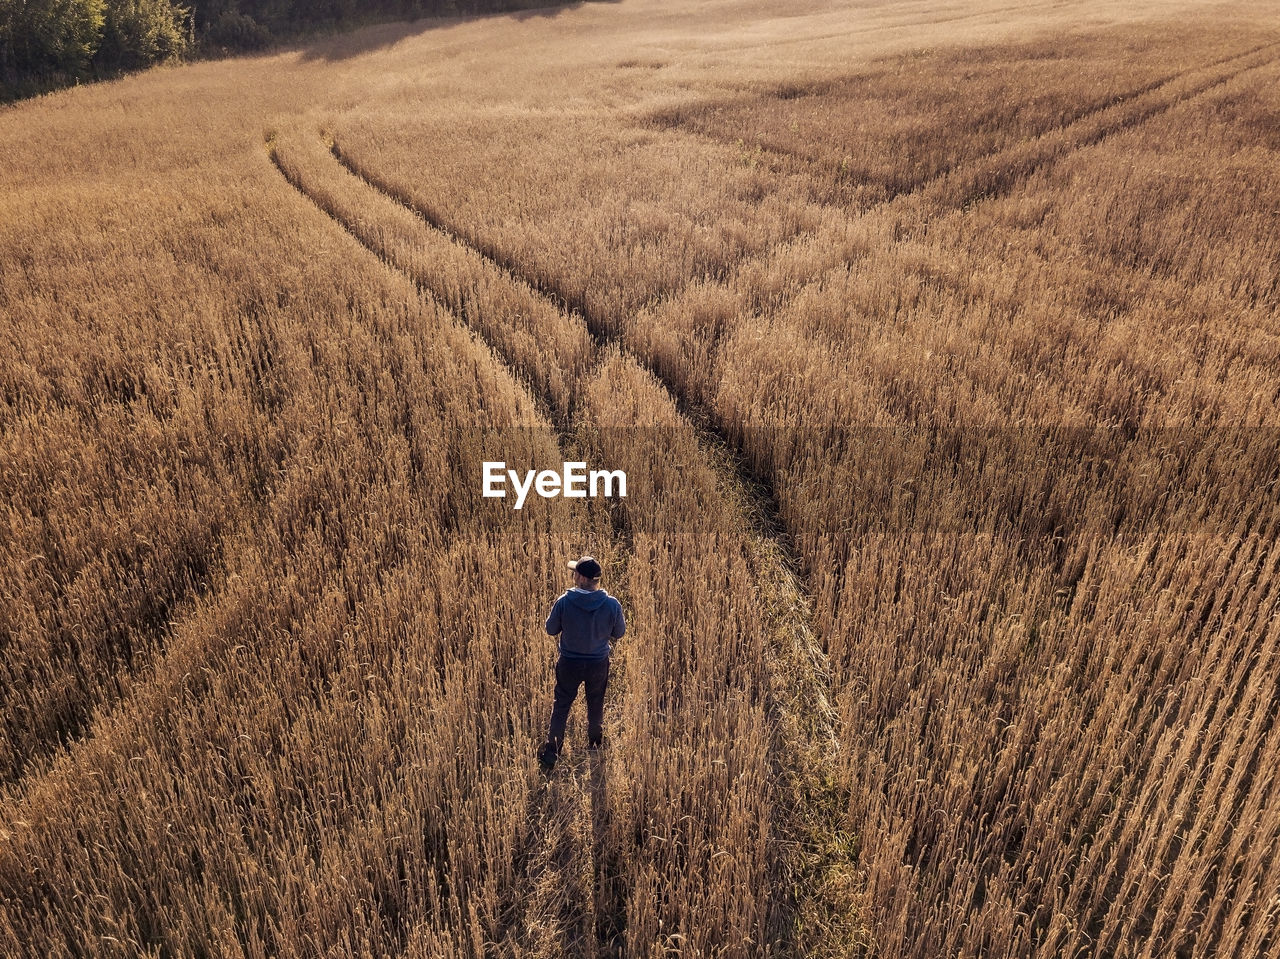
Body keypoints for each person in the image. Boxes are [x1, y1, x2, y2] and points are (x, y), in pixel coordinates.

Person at [537, 555, 625, 769]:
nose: (572, 574)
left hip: (569, 663)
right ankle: (595, 744)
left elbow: (550, 630)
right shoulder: (612, 604)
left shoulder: (564, 602)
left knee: (562, 706)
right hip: (598, 664)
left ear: (582, 579)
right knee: (595, 704)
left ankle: (551, 754)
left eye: (575, 572)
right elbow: (619, 633)